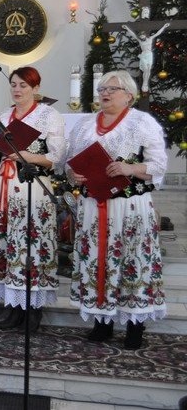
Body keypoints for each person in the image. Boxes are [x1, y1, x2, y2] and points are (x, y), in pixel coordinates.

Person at [66, 70, 167, 349]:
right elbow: (70, 162)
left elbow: (159, 165)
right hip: (93, 205)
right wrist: (73, 175)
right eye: (102, 89)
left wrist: (130, 168)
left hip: (129, 207)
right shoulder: (85, 124)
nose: (105, 93)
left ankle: (135, 325)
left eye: (112, 89)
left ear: (129, 96)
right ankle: (102, 321)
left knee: (132, 259)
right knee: (97, 260)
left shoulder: (142, 122)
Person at [0, 67, 67, 333]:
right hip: (5, 184)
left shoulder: (48, 115)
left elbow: (57, 157)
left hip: (32, 186)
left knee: (31, 244)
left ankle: (33, 309)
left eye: (23, 85)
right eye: (13, 85)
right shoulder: (4, 116)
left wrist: (27, 156)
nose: (17, 90)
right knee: (8, 245)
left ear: (36, 88)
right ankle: (14, 306)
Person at [122, 22, 170, 93]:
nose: (142, 37)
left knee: (148, 70)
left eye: (142, 36)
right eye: (140, 36)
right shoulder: (140, 41)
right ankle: (144, 84)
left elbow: (158, 33)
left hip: (149, 55)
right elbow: (133, 34)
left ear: (145, 35)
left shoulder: (150, 38)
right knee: (146, 70)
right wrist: (127, 28)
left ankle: (145, 83)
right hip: (143, 56)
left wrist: (164, 27)